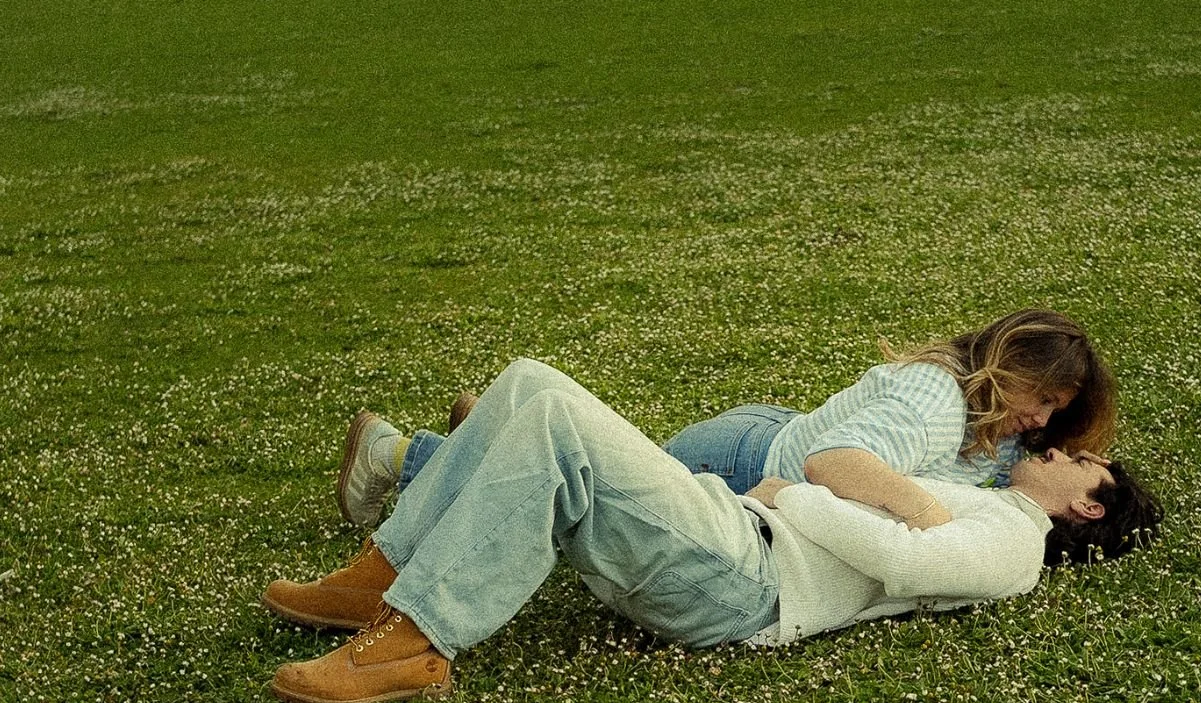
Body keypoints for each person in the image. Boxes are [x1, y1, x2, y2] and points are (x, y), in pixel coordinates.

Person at [264, 358, 1160, 703]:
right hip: (737, 535)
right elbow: (891, 502)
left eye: (1085, 461)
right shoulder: (986, 491)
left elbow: (900, 556)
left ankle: (419, 641)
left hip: (747, 582)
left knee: (555, 423)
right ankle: (384, 577)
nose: (1064, 444)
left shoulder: (1014, 549)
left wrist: (794, 496)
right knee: (531, 387)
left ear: (1088, 505)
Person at [331, 309, 1115, 537]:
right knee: (593, 497)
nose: (1040, 421)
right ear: (1006, 365)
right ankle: (399, 454)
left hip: (769, 434)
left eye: (1054, 414)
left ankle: (492, 432)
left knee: (592, 471)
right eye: (1039, 399)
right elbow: (836, 461)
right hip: (746, 459)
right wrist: (930, 521)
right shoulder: (935, 402)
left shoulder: (996, 434)